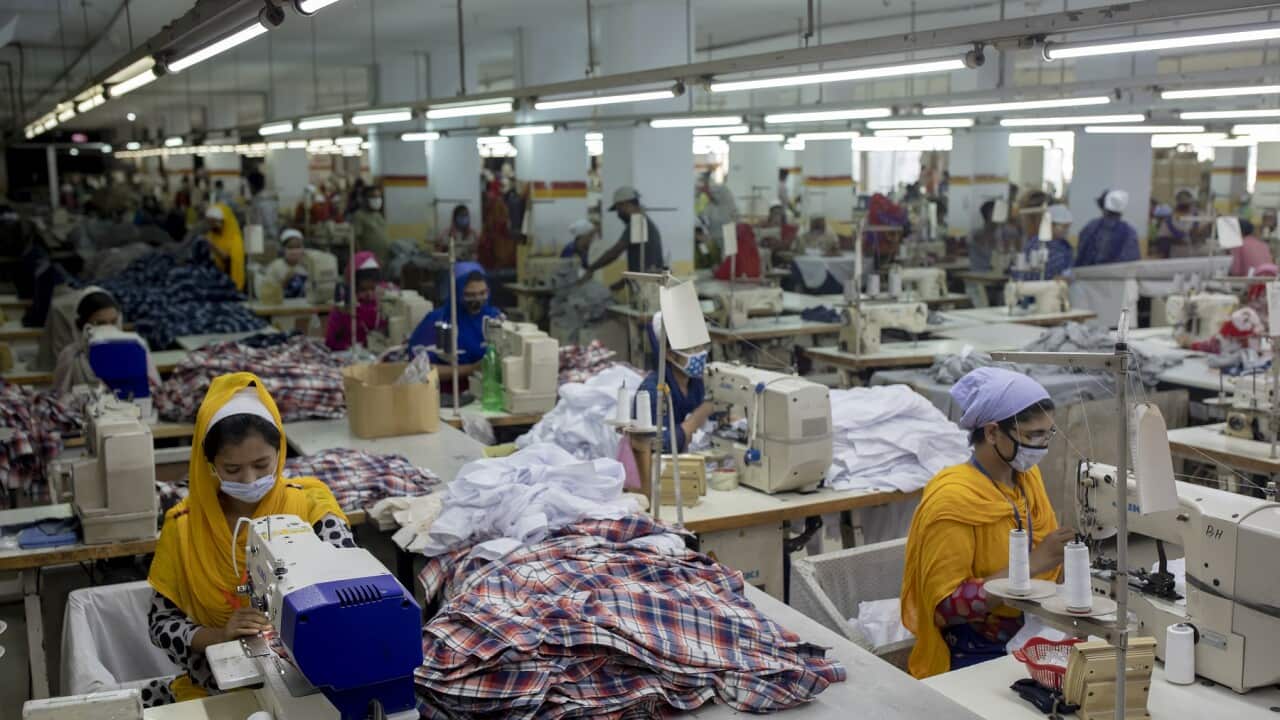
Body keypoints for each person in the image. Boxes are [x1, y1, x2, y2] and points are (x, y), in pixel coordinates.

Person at [147, 374, 352, 705]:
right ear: (209, 464)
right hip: (215, 688)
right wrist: (220, 635)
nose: (250, 479)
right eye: (232, 469)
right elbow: (161, 625)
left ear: (280, 451)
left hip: (312, 681)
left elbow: (347, 584)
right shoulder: (183, 528)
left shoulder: (312, 509)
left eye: (261, 464)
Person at [900, 367, 1074, 679]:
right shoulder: (953, 498)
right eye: (1033, 435)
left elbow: (1051, 562)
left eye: (1048, 434)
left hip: (1031, 631)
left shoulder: (1026, 478)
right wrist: (1031, 566)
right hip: (971, 649)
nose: (1043, 446)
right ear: (992, 432)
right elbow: (944, 608)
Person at [408, 262, 502, 388]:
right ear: (455, 292)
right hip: (448, 394)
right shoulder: (438, 320)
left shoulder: (495, 317)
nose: (478, 300)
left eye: (483, 293)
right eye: (470, 295)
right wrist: (470, 369)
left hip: (485, 392)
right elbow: (419, 369)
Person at [633, 312, 715, 454]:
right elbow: (658, 445)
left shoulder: (696, 383)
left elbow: (715, 420)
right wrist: (700, 416)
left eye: (702, 347)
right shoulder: (652, 391)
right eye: (693, 349)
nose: (701, 354)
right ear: (670, 355)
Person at [53, 289, 160, 394]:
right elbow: (60, 398)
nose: (109, 328)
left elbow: (153, 388)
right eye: (100, 324)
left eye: (113, 322)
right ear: (83, 326)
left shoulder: (136, 347)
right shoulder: (70, 356)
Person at [583, 186, 665, 286]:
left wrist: (591, 268)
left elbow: (615, 252)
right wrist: (623, 282)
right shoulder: (643, 222)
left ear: (625, 204)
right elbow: (641, 261)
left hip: (648, 284)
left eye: (618, 209)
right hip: (648, 281)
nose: (618, 214)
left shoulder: (637, 223)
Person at [324, 251, 387, 352]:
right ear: (352, 286)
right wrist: (348, 348)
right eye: (363, 290)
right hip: (347, 357)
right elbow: (330, 342)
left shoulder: (383, 305)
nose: (369, 294)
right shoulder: (342, 309)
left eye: (373, 289)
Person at [1073, 189, 1139, 268]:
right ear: (1122, 211)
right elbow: (1133, 263)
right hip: (1118, 278)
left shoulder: (1090, 228)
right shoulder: (1130, 233)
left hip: (1088, 277)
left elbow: (1080, 256)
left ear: (1103, 208)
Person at [1015, 204, 1073, 281]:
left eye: (1068, 227)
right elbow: (1024, 274)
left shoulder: (1065, 246)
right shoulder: (1035, 245)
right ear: (1051, 224)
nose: (1066, 230)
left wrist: (1066, 277)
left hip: (1058, 289)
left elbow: (1069, 270)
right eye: (1064, 227)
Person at [261, 228, 316, 299]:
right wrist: (285, 282)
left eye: (298, 247)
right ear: (283, 249)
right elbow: (267, 294)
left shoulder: (308, 265)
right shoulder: (275, 267)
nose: (294, 251)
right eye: (290, 247)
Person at [203, 204, 245, 291]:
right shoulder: (212, 235)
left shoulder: (235, 238)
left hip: (227, 277)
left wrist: (212, 245)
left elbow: (227, 258)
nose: (211, 225)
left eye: (214, 222)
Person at [350, 184, 390, 267]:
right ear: (364, 199)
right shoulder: (359, 216)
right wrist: (361, 260)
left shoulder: (378, 215)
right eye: (373, 197)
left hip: (385, 259)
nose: (377, 200)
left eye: (379, 197)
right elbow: (355, 240)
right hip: (369, 262)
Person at [245, 170, 279, 246]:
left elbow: (270, 226)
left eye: (248, 185)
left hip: (266, 242)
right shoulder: (256, 200)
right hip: (257, 240)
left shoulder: (265, 202)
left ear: (252, 185)